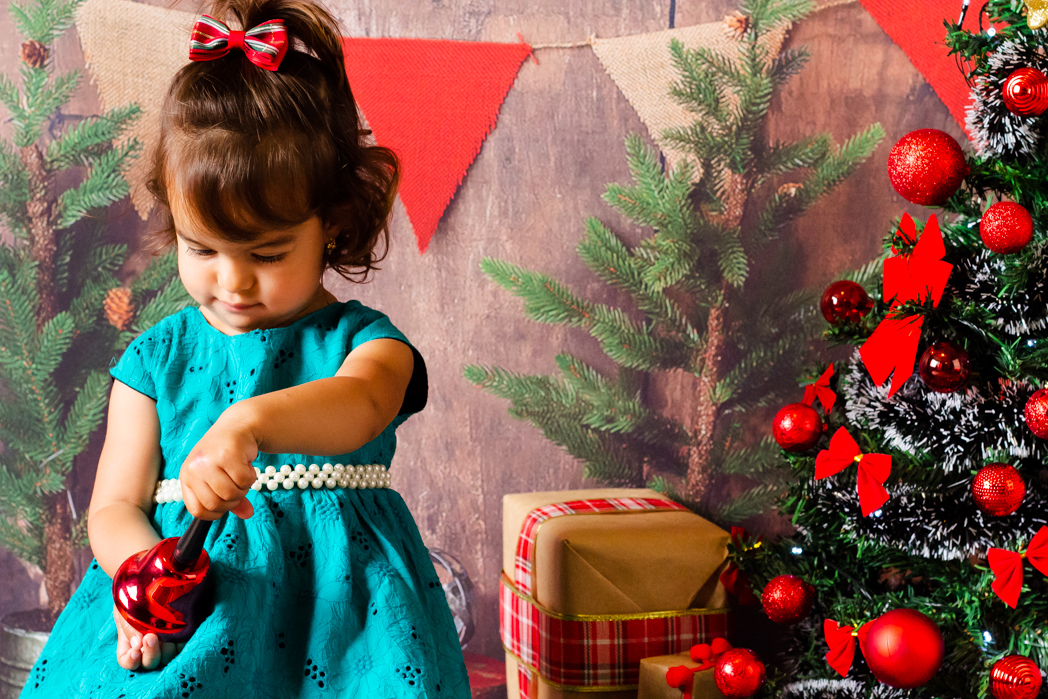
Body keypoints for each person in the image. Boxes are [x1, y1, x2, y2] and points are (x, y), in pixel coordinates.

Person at [19, 0, 470, 696]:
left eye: (266, 253)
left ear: (333, 222)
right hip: (199, 613)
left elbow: (360, 404)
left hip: (345, 627)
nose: (231, 281)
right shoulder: (153, 362)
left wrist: (249, 422)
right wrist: (151, 585)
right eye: (202, 248)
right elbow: (113, 506)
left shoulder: (366, 347)